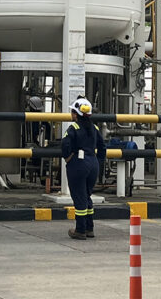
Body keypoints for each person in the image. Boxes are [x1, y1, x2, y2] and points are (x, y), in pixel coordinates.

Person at [61, 96, 106, 240]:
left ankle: (80, 230)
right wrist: (98, 162)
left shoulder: (73, 128)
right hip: (93, 163)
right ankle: (89, 228)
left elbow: (65, 145)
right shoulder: (94, 128)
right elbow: (102, 147)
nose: (71, 114)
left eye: (72, 111)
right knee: (86, 196)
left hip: (78, 164)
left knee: (79, 197)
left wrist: (68, 157)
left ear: (76, 114)